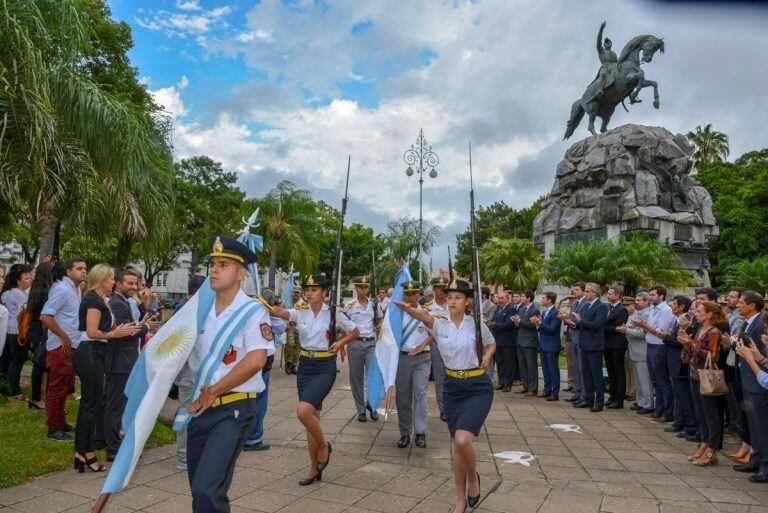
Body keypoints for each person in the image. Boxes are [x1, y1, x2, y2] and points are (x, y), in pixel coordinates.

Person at [181, 236, 274, 511]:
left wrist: (214, 390)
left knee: (207, 489)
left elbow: (257, 360)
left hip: (233, 409)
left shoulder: (253, 311)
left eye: (223, 264)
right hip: (200, 409)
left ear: (241, 273)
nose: (214, 269)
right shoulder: (199, 310)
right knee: (200, 490)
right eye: (212, 263)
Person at [393, 279, 495, 513]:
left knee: (463, 440)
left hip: (477, 386)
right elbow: (423, 317)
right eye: (449, 297)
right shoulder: (440, 324)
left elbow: (491, 344)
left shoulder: (476, 324)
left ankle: (473, 478)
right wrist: (410, 309)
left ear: (468, 301)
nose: (452, 301)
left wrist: (487, 356)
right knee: (457, 446)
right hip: (452, 387)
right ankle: (460, 500)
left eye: (457, 297)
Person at [270, 273, 359, 486]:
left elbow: (355, 331)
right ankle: (313, 469)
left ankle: (324, 447)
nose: (309, 293)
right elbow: (279, 312)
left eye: (314, 290)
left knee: (303, 411)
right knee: (313, 419)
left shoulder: (334, 313)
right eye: (307, 290)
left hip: (324, 367)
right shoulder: (300, 312)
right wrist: (259, 303)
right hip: (305, 367)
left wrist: (341, 343)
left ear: (325, 293)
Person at [73, 264, 136, 472]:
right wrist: (114, 334)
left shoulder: (100, 300)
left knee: (93, 403)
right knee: (90, 405)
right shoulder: (92, 299)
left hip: (97, 353)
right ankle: (86, 453)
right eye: (111, 278)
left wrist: (116, 330)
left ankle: (82, 452)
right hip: (90, 352)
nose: (113, 282)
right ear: (101, 279)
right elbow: (92, 332)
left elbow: (101, 328)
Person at [106, 269, 159, 461]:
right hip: (120, 360)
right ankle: (112, 448)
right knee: (115, 405)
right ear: (118, 284)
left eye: (135, 283)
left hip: (125, 358)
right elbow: (127, 331)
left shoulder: (121, 301)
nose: (134, 287)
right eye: (129, 283)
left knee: (118, 403)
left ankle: (110, 442)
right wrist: (146, 327)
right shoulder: (117, 303)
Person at [41, 258, 87, 441]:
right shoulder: (62, 289)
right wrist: (63, 336)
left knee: (64, 387)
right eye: (79, 269)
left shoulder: (74, 288)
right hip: (62, 346)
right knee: (57, 388)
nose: (84, 271)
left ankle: (60, 423)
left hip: (71, 345)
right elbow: (45, 316)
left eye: (85, 268)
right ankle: (53, 428)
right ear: (68, 272)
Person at [679, 300, 726, 467]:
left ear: (709, 314)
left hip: (707, 377)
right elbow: (692, 351)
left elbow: (713, 356)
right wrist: (686, 344)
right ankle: (704, 443)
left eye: (699, 311)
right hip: (695, 374)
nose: (695, 313)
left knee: (711, 415)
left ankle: (712, 449)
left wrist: (691, 344)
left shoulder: (714, 332)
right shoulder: (700, 329)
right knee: (701, 414)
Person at [244, 288, 286, 452]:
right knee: (259, 400)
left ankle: (246, 436)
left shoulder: (250, 311)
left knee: (250, 398)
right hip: (261, 361)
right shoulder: (266, 315)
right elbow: (281, 327)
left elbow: (281, 327)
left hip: (254, 360)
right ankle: (253, 438)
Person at [733, 292, 768, 483]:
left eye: (741, 303)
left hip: (758, 381)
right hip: (746, 378)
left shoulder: (759, 324)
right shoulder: (747, 323)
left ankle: (765, 464)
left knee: (761, 425)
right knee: (753, 426)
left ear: (752, 305)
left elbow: (759, 354)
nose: (738, 305)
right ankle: (755, 458)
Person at [173, 275, 207, 470]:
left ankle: (194, 453)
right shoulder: (185, 311)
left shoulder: (199, 309)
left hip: (198, 372)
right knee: (187, 413)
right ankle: (184, 457)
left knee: (197, 413)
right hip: (188, 373)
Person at [395, 280, 433, 449]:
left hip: (422, 358)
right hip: (402, 358)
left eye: (414, 293)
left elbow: (438, 332)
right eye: (407, 293)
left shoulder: (426, 311)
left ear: (420, 294)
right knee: (403, 396)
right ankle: (405, 432)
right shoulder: (396, 312)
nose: (410, 296)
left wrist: (424, 345)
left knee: (420, 393)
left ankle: (421, 433)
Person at [633, 286, 676, 423]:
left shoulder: (665, 310)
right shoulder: (653, 309)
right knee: (655, 381)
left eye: (652, 295)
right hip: (650, 346)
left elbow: (660, 332)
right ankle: (659, 409)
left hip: (659, 347)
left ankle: (667, 412)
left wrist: (643, 326)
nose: (650, 297)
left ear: (661, 296)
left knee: (663, 382)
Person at [567, 283, 608, 412]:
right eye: (585, 291)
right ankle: (588, 400)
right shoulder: (585, 306)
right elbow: (580, 325)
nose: (585, 293)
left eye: (588, 291)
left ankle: (599, 401)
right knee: (586, 374)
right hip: (584, 344)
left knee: (596, 374)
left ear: (595, 293)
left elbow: (597, 325)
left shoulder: (601, 307)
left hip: (594, 345)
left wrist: (580, 320)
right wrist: (572, 323)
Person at [343, 276, 379, 422]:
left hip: (371, 343)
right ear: (356, 288)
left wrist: (379, 325)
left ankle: (372, 405)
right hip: (355, 344)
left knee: (374, 376)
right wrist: (341, 345)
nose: (363, 289)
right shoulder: (349, 305)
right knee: (356, 379)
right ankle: (361, 410)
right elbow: (343, 325)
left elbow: (379, 321)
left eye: (365, 287)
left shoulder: (374, 305)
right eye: (360, 287)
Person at [664, 296, 698, 440]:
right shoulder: (679, 320)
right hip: (674, 360)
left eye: (674, 304)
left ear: (681, 306)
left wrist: (665, 337)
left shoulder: (688, 323)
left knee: (684, 396)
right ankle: (680, 422)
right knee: (679, 394)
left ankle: (690, 425)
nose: (671, 307)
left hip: (681, 362)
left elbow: (680, 341)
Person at [1, 263, 33, 400]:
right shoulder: (19, 294)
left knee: (6, 360)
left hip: (8, 330)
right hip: (19, 332)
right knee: (17, 361)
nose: (30, 279)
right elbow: (25, 315)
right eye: (26, 277)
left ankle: (5, 386)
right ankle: (14, 390)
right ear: (17, 280)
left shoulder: (7, 292)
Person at [620, 292, 654, 415]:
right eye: (636, 300)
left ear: (647, 301)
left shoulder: (648, 314)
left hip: (642, 350)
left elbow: (642, 334)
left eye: (640, 300)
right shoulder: (638, 313)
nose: (637, 302)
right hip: (634, 349)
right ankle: (641, 401)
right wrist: (627, 328)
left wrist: (626, 330)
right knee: (638, 379)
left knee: (644, 379)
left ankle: (648, 404)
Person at [27, 263, 54, 410]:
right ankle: (36, 397)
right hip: (43, 330)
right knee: (41, 364)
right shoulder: (47, 292)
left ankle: (38, 395)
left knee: (40, 364)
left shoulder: (35, 290)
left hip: (35, 329)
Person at [426, 276, 449, 421]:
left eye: (443, 287)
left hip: (454, 345)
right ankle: (443, 408)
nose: (441, 290)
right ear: (433, 289)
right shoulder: (428, 307)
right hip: (436, 344)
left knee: (455, 376)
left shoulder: (454, 304)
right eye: (438, 287)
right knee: (440, 378)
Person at [560, 283, 587, 404]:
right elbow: (572, 319)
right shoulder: (575, 303)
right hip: (572, 337)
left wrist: (571, 319)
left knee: (582, 368)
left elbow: (582, 320)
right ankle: (577, 391)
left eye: (577, 289)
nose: (574, 291)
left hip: (581, 338)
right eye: (574, 289)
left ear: (583, 290)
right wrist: (566, 318)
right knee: (575, 367)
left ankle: (584, 395)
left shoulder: (586, 303)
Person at [534, 292, 562, 401]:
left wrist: (539, 323)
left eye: (544, 298)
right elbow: (542, 328)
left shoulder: (556, 313)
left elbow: (552, 329)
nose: (542, 300)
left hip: (552, 345)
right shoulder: (544, 312)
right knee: (546, 369)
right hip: (544, 344)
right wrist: (537, 324)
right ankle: (547, 389)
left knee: (553, 369)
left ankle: (555, 393)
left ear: (550, 300)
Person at [603, 286, 629, 409]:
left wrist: (609, 328)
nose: (608, 295)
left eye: (611, 293)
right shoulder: (609, 308)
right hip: (608, 343)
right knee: (611, 372)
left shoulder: (622, 309)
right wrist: (610, 328)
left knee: (618, 372)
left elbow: (619, 328)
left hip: (617, 344)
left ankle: (619, 399)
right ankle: (612, 396)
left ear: (618, 296)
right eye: (608, 293)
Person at [513, 290, 540, 397]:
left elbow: (533, 325)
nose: (521, 298)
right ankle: (526, 386)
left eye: (523, 296)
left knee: (531, 366)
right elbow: (519, 324)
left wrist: (519, 321)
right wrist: (516, 321)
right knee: (522, 366)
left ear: (529, 298)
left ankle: (533, 388)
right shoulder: (522, 309)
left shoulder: (535, 310)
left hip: (530, 342)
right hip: (520, 341)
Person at [488, 291, 516, 392]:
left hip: (507, 341)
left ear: (507, 298)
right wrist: (491, 324)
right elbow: (494, 320)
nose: (500, 300)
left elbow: (509, 324)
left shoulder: (511, 309)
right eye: (499, 298)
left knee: (507, 363)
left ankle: (508, 384)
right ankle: (501, 382)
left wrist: (494, 325)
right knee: (499, 363)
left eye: (502, 298)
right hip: (497, 340)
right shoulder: (498, 309)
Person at [283, 286, 304, 375]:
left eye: (297, 293)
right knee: (290, 344)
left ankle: (294, 366)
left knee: (298, 346)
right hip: (290, 325)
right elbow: (283, 312)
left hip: (299, 326)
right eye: (294, 292)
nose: (296, 294)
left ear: (300, 294)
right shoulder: (287, 301)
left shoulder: (303, 303)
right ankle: (288, 363)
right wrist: (284, 324)